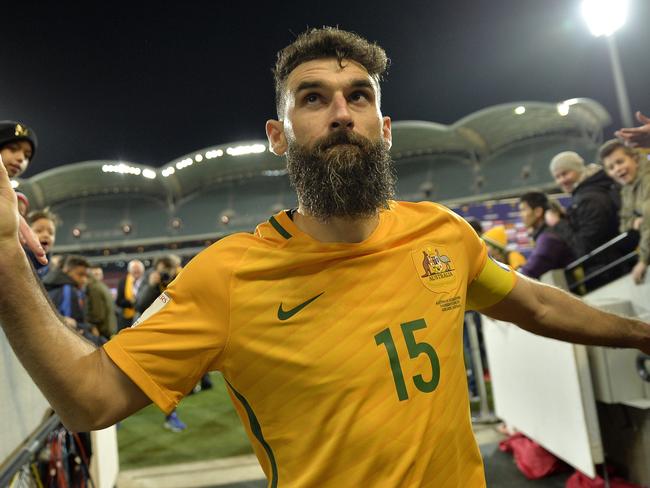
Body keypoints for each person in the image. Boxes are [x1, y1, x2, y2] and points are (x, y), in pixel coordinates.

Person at [1, 28, 650, 487]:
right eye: (313, 98)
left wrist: (641, 334)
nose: (341, 112)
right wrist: (6, 255)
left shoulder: (443, 233)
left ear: (384, 127)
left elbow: (533, 301)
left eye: (360, 95)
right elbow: (89, 400)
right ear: (278, 137)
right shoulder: (229, 275)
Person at [549, 150, 622, 286]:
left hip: (609, 274)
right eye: (557, 177)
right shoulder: (586, 195)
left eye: (565, 173)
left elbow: (584, 249)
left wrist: (558, 223)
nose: (561, 180)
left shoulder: (589, 199)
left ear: (578, 169)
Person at [600, 138, 650, 284]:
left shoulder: (647, 180)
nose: (617, 169)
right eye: (611, 167)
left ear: (634, 158)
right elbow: (624, 224)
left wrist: (644, 260)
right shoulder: (626, 189)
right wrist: (635, 222)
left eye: (620, 162)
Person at [518, 192, 575, 279]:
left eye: (523, 210)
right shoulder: (547, 235)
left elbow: (529, 272)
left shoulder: (548, 238)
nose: (521, 215)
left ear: (538, 211)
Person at [86, 266, 118, 339]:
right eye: (95, 274)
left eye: (98, 274)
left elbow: (97, 312)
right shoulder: (103, 286)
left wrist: (93, 326)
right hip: (110, 326)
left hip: (101, 329)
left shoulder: (94, 287)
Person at [25, 209, 58, 279]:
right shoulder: (16, 261)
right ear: (24, 234)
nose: (46, 235)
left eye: (51, 233)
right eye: (39, 231)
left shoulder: (53, 271)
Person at [115, 259, 145, 331]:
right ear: (130, 271)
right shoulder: (123, 281)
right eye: (134, 270)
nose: (136, 272)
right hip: (127, 318)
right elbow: (119, 301)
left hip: (144, 316)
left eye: (138, 270)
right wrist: (131, 302)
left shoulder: (147, 280)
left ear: (143, 271)